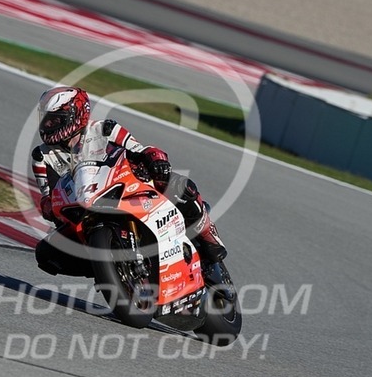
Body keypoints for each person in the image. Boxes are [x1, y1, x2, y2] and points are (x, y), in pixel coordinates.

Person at [31, 86, 227, 277]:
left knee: (178, 184)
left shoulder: (105, 129)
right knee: (46, 254)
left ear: (76, 116)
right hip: (82, 212)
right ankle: (112, 271)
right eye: (45, 120)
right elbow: (49, 197)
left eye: (54, 120)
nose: (47, 126)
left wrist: (155, 158)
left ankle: (208, 235)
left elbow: (138, 149)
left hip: (124, 187)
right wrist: (49, 207)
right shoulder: (42, 156)